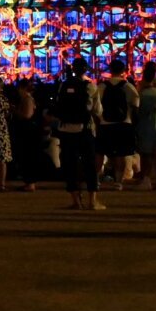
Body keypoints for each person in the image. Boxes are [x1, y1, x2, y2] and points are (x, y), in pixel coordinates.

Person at [49, 59, 103, 212]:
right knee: (89, 165)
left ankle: (76, 200)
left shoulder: (63, 85)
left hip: (66, 130)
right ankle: (93, 201)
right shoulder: (90, 87)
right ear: (85, 70)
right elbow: (97, 110)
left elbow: (58, 105)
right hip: (84, 129)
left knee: (69, 165)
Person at [97, 59, 139, 189]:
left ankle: (96, 180)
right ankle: (118, 182)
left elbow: (96, 104)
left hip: (105, 123)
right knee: (121, 153)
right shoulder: (127, 86)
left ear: (110, 70)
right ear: (123, 71)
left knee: (100, 152)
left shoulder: (102, 86)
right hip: (123, 123)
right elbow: (136, 103)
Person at [134, 62, 156, 192]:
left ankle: (146, 179)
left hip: (144, 126)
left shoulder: (141, 95)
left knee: (146, 155)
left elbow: (137, 112)